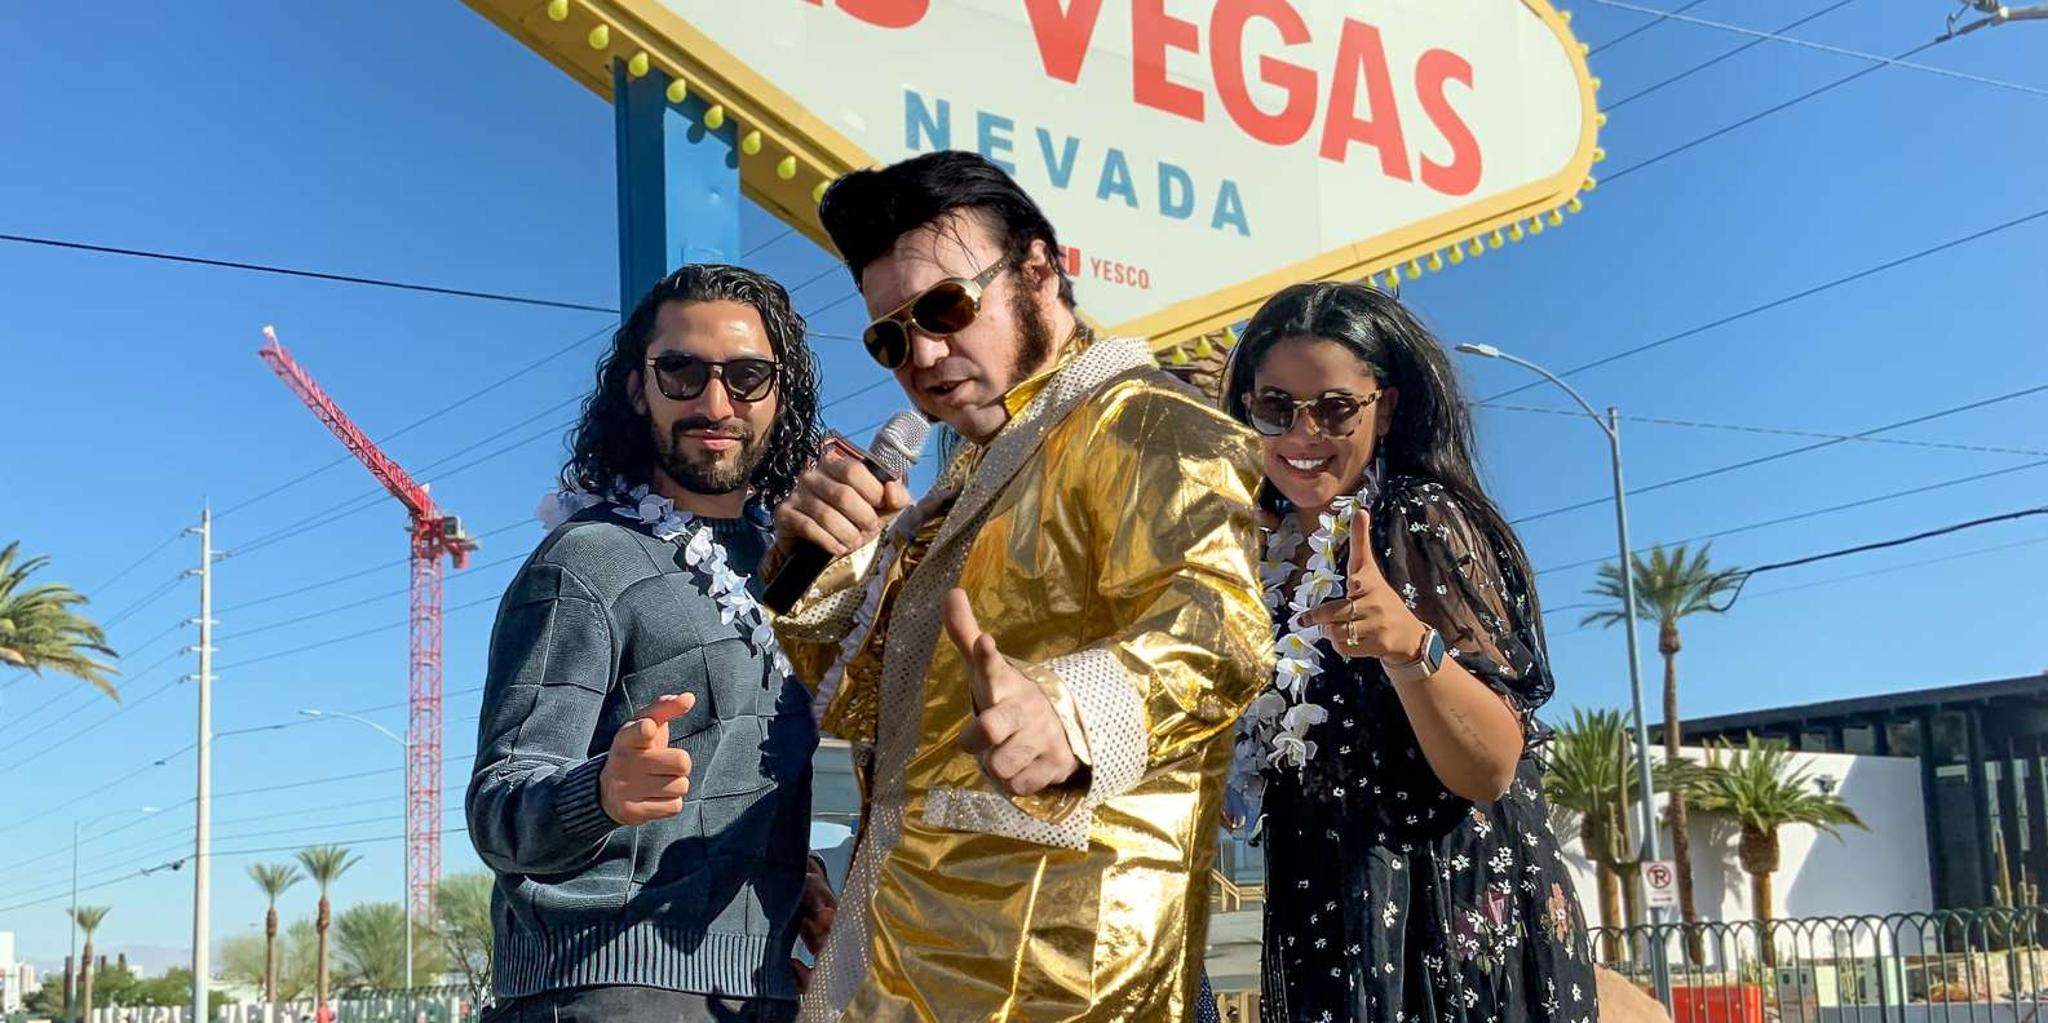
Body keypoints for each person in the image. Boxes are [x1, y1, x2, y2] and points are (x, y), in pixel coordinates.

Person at [768, 151, 1273, 1021]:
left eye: (945, 307)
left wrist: (1075, 712)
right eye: (890, 336)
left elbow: (1222, 627)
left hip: (1053, 966)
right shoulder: (969, 476)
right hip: (911, 942)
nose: (921, 353)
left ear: (1038, 269)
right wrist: (824, 561)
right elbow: (862, 713)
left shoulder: (1147, 418)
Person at [1221, 282, 1599, 1023]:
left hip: (1441, 934)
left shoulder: (1415, 520)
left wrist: (1408, 645)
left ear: (1383, 409)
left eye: (1334, 408)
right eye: (1275, 407)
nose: (1302, 434)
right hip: (1320, 924)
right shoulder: (1262, 551)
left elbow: (1491, 765)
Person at [467, 264, 836, 1023]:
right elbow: (497, 806)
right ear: (636, 389)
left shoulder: (794, 571)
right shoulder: (587, 559)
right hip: (603, 993)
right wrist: (598, 793)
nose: (714, 401)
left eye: (746, 376)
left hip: (762, 993)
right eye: (680, 370)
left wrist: (794, 879)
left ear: (779, 394)